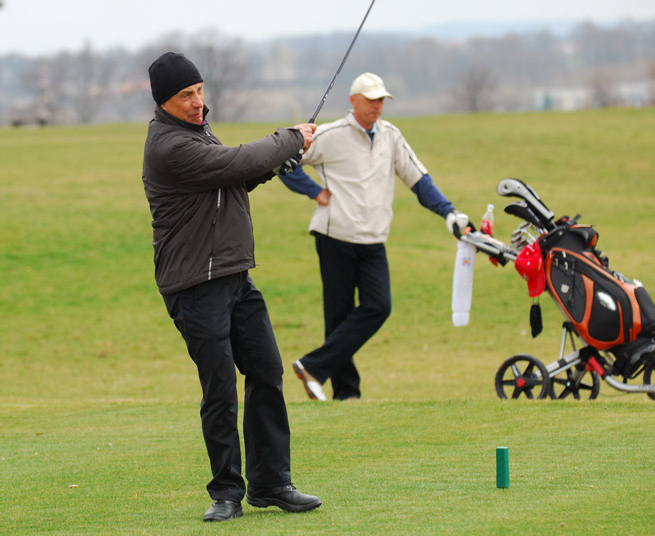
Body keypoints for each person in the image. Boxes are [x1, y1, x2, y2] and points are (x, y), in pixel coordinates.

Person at [141, 51, 322, 523]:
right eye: (187, 95)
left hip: (234, 277)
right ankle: (227, 493)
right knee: (220, 387)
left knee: (266, 371)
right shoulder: (168, 146)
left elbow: (234, 177)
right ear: (164, 102)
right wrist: (290, 138)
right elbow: (233, 162)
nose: (199, 101)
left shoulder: (197, 132)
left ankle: (271, 483)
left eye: (200, 90)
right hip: (194, 286)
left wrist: (274, 164)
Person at [279, 72, 470, 402]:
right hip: (334, 235)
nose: (377, 106)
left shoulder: (391, 136)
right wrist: (313, 191)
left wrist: (448, 212)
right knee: (338, 316)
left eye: (381, 100)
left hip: (372, 240)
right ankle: (347, 394)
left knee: (378, 307)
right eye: (371, 100)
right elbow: (286, 160)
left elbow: (418, 180)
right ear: (353, 101)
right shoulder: (331, 134)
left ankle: (313, 367)